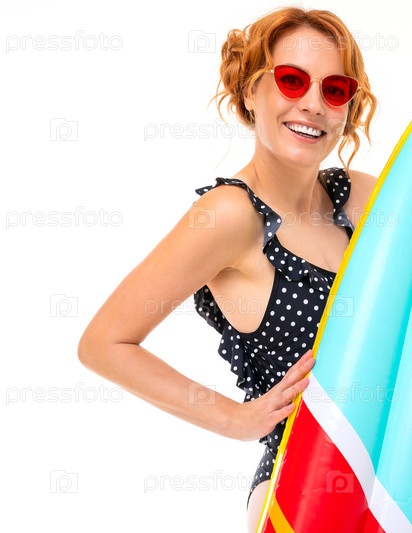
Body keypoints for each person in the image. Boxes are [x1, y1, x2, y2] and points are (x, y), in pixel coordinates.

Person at [77, 7, 378, 530]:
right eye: (291, 80)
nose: (312, 103)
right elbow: (104, 343)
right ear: (249, 91)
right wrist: (238, 419)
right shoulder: (230, 215)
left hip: (388, 479)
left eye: (334, 89)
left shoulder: (357, 198)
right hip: (302, 489)